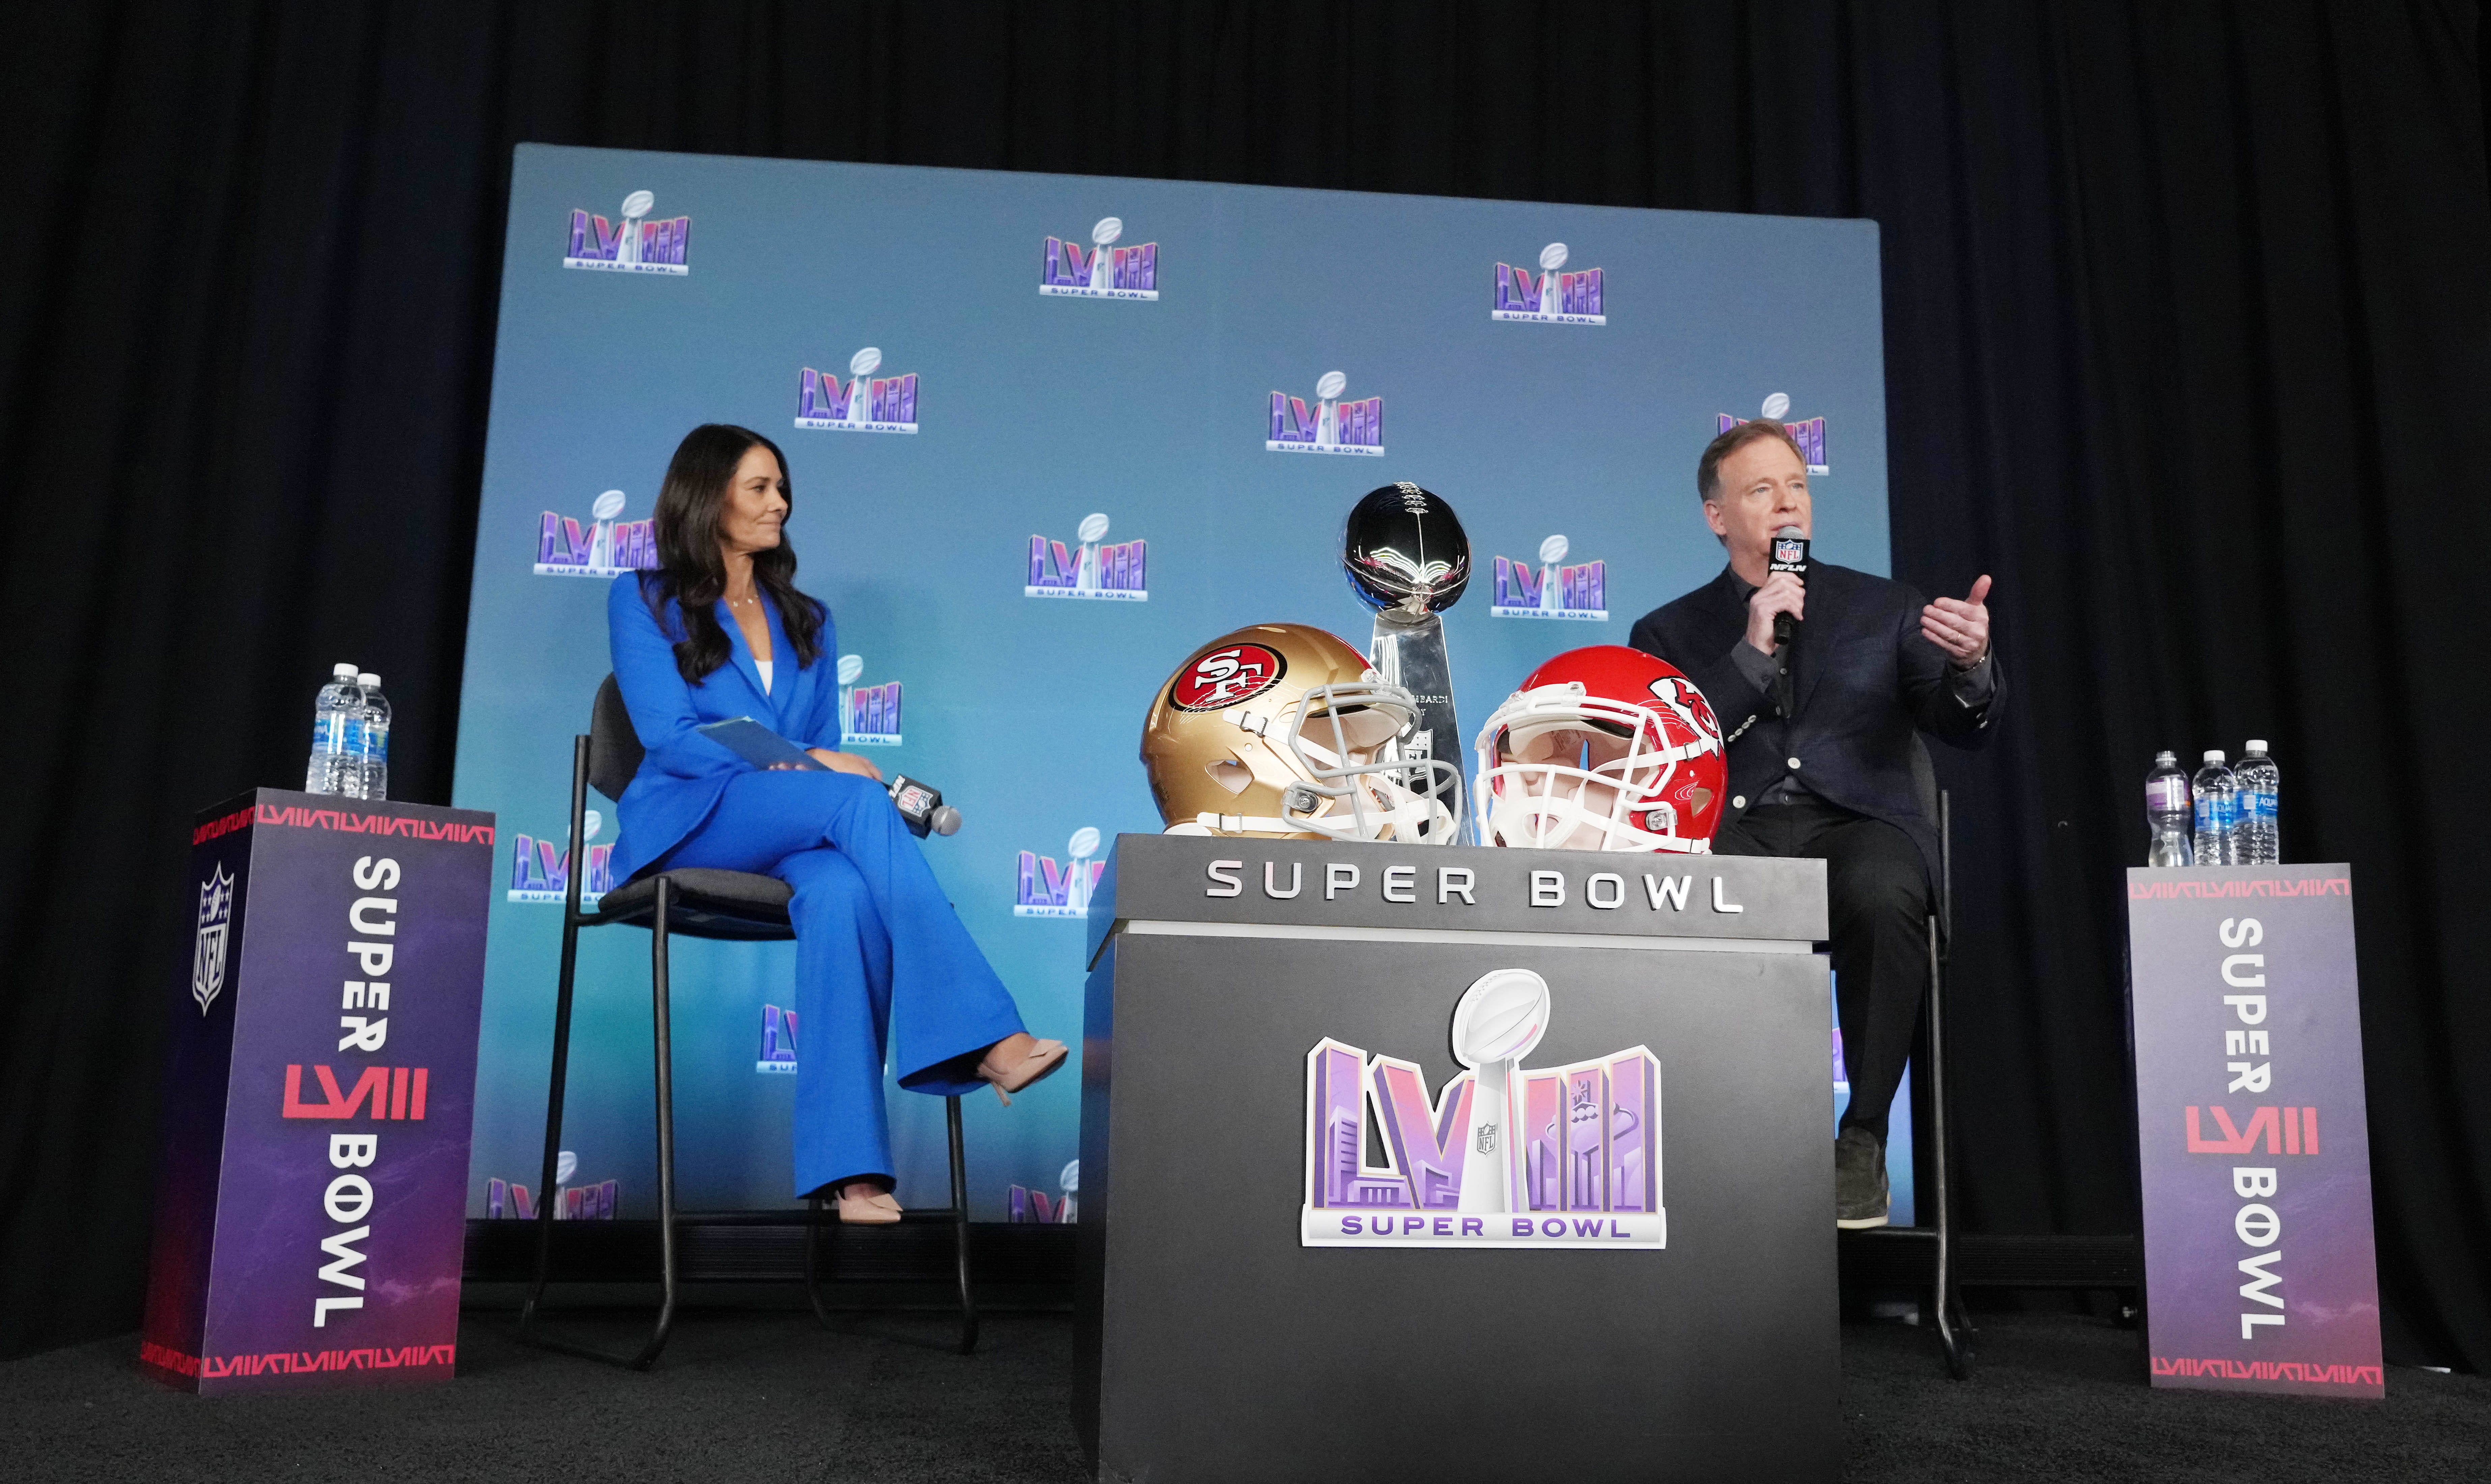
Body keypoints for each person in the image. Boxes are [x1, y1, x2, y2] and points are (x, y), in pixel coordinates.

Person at [606, 423, 1066, 1224]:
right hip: (689, 816)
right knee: (856, 797)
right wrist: (819, 767)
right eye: (759, 487)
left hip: (783, 821)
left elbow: (810, 740)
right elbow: (667, 737)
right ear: (706, 495)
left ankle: (850, 1173)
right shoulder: (644, 597)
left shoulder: (807, 618)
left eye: (781, 488)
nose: (779, 503)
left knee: (845, 894)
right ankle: (989, 1040)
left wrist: (813, 763)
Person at [1628, 419, 1999, 1228]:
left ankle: (1860, 1140)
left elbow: (1960, 723)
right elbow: (1668, 751)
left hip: (1855, 823)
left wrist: (1970, 667)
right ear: (1716, 517)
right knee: (1685, 890)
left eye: (1795, 486)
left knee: (1881, 889)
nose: (1786, 503)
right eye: (1760, 490)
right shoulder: (1667, 633)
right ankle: (1716, 1142)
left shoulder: (1885, 607)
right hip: (1736, 827)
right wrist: (1753, 654)